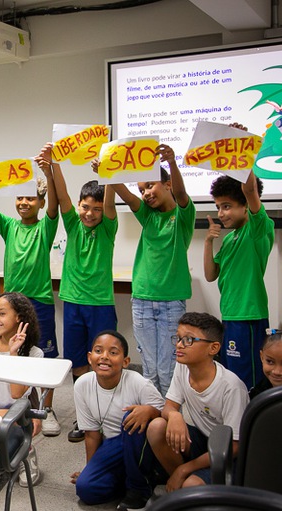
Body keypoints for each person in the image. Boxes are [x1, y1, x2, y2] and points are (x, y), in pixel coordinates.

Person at [0, 151, 62, 436]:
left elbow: (55, 208)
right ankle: (14, 401)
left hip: (39, 302)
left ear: (40, 202)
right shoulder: (9, 225)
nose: (24, 202)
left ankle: (45, 410)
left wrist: (48, 173)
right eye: (20, 198)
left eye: (31, 198)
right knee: (14, 354)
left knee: (43, 358)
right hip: (12, 303)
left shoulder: (45, 227)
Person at [102, 145, 195, 397]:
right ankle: (152, 416)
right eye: (142, 189)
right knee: (149, 370)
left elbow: (182, 194)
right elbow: (126, 194)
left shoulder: (182, 215)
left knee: (168, 369)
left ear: (166, 185)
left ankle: (169, 416)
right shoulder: (147, 216)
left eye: (150, 186)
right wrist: (108, 170)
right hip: (142, 299)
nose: (145, 193)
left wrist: (172, 164)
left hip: (170, 302)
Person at [40, 144, 118, 442]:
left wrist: (108, 174)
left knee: (104, 362)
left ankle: (104, 419)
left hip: (100, 305)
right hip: (73, 302)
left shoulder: (109, 227)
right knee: (79, 363)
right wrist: (55, 163)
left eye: (96, 209)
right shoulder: (72, 223)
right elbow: (61, 197)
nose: (90, 213)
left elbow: (109, 205)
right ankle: (85, 419)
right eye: (86, 207)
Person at [146, 312, 248, 491]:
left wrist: (185, 469)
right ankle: (177, 483)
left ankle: (184, 477)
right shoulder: (183, 366)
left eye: (189, 340)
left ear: (213, 348)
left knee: (191, 484)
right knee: (157, 427)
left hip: (226, 453)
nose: (179, 345)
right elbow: (169, 406)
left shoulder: (231, 387)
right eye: (178, 338)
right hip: (203, 440)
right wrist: (175, 415)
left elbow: (234, 446)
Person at [71, 331, 164, 511]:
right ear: (90, 358)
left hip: (139, 442)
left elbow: (165, 414)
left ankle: (139, 489)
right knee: (86, 488)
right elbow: (91, 434)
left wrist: (150, 410)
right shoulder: (82, 384)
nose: (104, 357)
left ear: (125, 361)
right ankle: (135, 478)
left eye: (113, 353)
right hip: (113, 445)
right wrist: (91, 468)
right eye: (98, 351)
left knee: (132, 417)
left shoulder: (138, 382)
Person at [204, 161, 274, 390]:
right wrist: (208, 241)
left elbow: (250, 190)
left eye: (226, 206)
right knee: (232, 378)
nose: (221, 213)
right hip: (231, 316)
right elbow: (210, 275)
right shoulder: (228, 238)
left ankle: (250, 423)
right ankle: (234, 422)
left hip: (249, 317)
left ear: (245, 207)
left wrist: (241, 155)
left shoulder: (258, 230)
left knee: (249, 380)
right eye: (218, 207)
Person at [0, 292, 44, 488]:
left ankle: (26, 452)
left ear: (19, 317)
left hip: (22, 413)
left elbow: (16, 394)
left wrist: (13, 353)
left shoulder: (34, 353)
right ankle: (9, 452)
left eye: (2, 314)